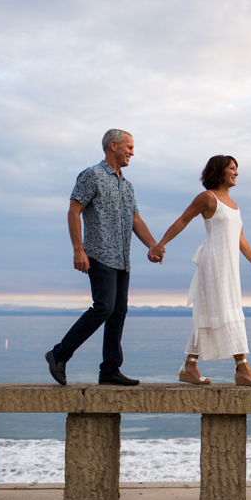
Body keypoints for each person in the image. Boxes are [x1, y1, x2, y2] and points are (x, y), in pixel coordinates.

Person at [45, 129, 162, 387]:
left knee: (118, 312)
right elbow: (74, 211)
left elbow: (135, 219)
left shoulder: (127, 185)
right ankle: (59, 354)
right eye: (129, 147)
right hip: (99, 254)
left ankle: (109, 370)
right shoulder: (91, 175)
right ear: (113, 146)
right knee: (104, 307)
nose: (133, 152)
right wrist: (78, 250)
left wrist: (153, 245)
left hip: (122, 259)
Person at [151, 155, 251, 386]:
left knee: (215, 311)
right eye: (232, 169)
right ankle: (242, 368)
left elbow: (240, 238)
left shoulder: (234, 205)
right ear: (219, 171)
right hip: (213, 262)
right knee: (224, 309)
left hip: (230, 265)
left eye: (237, 169)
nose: (236, 173)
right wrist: (160, 244)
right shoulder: (208, 197)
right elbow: (183, 220)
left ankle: (189, 365)